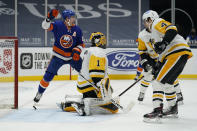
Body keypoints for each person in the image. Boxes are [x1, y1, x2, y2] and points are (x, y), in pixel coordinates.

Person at [141, 10, 193, 122]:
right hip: (177, 54)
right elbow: (161, 52)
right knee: (168, 83)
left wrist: (164, 42)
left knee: (157, 82)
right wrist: (157, 65)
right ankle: (172, 108)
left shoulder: (156, 22)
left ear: (150, 18)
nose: (145, 23)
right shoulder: (153, 35)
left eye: (145, 20)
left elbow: (172, 29)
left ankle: (157, 110)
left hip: (175, 53)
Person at [59, 32, 119, 116]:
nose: (104, 42)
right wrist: (101, 88)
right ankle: (83, 106)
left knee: (103, 98)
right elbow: (95, 73)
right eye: (103, 40)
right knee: (110, 107)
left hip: (85, 84)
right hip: (91, 85)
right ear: (98, 41)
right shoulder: (98, 51)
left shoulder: (90, 50)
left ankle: (70, 104)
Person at [33, 9, 85, 104]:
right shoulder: (58, 25)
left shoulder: (77, 29)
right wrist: (48, 19)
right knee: (47, 77)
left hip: (72, 57)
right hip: (58, 57)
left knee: (85, 73)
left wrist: (78, 50)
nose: (74, 19)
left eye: (74, 17)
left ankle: (90, 93)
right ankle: (39, 93)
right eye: (72, 17)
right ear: (66, 19)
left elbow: (81, 43)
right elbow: (44, 26)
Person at [136, 25, 184, 105]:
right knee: (147, 76)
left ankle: (179, 94)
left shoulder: (161, 31)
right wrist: (146, 63)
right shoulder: (142, 34)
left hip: (163, 57)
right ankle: (142, 93)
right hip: (151, 58)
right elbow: (142, 50)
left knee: (171, 76)